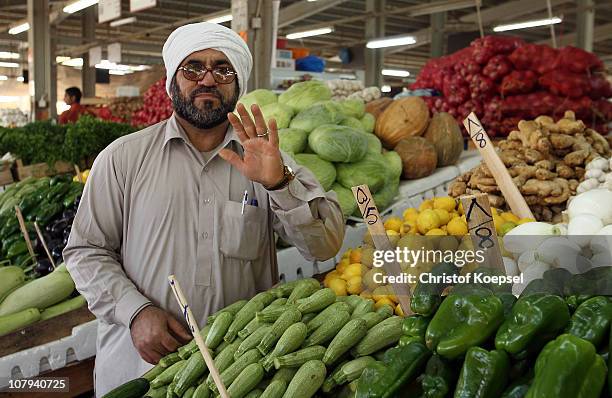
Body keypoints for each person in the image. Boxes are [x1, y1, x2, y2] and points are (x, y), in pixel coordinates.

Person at [63, 22, 344, 396]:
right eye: (193, 68)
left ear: (238, 83)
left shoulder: (270, 162)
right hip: (141, 372)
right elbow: (85, 251)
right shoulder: (123, 159)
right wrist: (135, 311)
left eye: (222, 69)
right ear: (173, 79)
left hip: (238, 374)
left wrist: (280, 184)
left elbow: (324, 247)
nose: (207, 79)